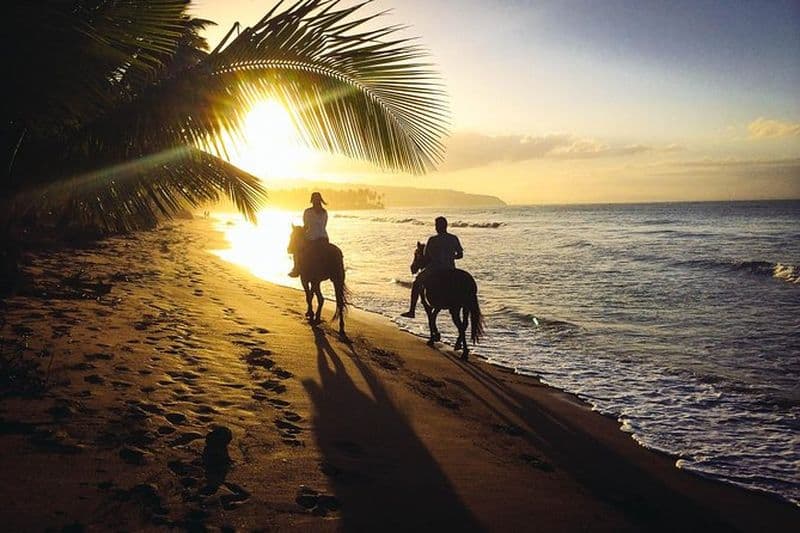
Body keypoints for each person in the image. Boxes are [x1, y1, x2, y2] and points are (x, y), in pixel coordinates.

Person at [401, 216, 463, 318]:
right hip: (451, 269)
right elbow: (460, 255)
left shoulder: (432, 240)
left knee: (416, 282)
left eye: (436, 225)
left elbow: (426, 257)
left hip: (435, 269)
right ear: (446, 226)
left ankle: (412, 311)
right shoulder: (454, 238)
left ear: (437, 227)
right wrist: (450, 257)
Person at [288, 192, 329, 277]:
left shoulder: (308, 212)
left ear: (312, 200)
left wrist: (299, 231)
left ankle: (296, 269)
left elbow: (306, 226)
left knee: (297, 251)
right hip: (324, 238)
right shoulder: (324, 212)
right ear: (320, 200)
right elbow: (324, 225)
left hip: (311, 238)